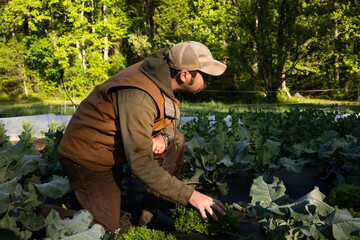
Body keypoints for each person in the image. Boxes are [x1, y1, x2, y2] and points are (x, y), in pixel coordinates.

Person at [57, 41, 227, 233]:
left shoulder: (165, 72)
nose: (209, 82)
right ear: (184, 75)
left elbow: (169, 113)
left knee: (175, 141)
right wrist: (191, 196)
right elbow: (141, 164)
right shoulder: (139, 96)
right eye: (205, 76)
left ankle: (154, 216)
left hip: (117, 145)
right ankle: (46, 213)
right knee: (104, 229)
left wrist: (165, 137)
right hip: (89, 155)